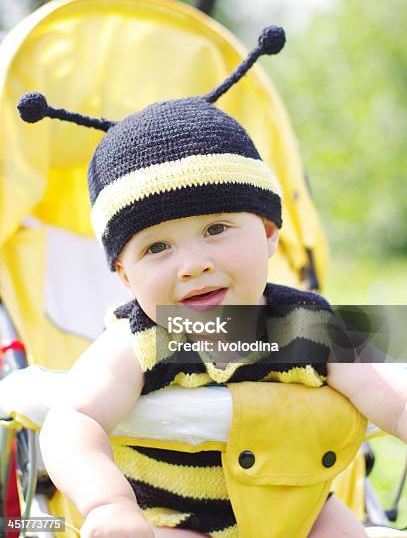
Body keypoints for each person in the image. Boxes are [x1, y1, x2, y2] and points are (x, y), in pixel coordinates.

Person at [18, 26, 407, 537]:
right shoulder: (139, 342)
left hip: (299, 507)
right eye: (157, 247)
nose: (193, 264)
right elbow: (74, 422)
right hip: (177, 516)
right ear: (124, 275)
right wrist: (108, 504)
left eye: (216, 230)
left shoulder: (304, 323)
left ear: (268, 233)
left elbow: (388, 393)